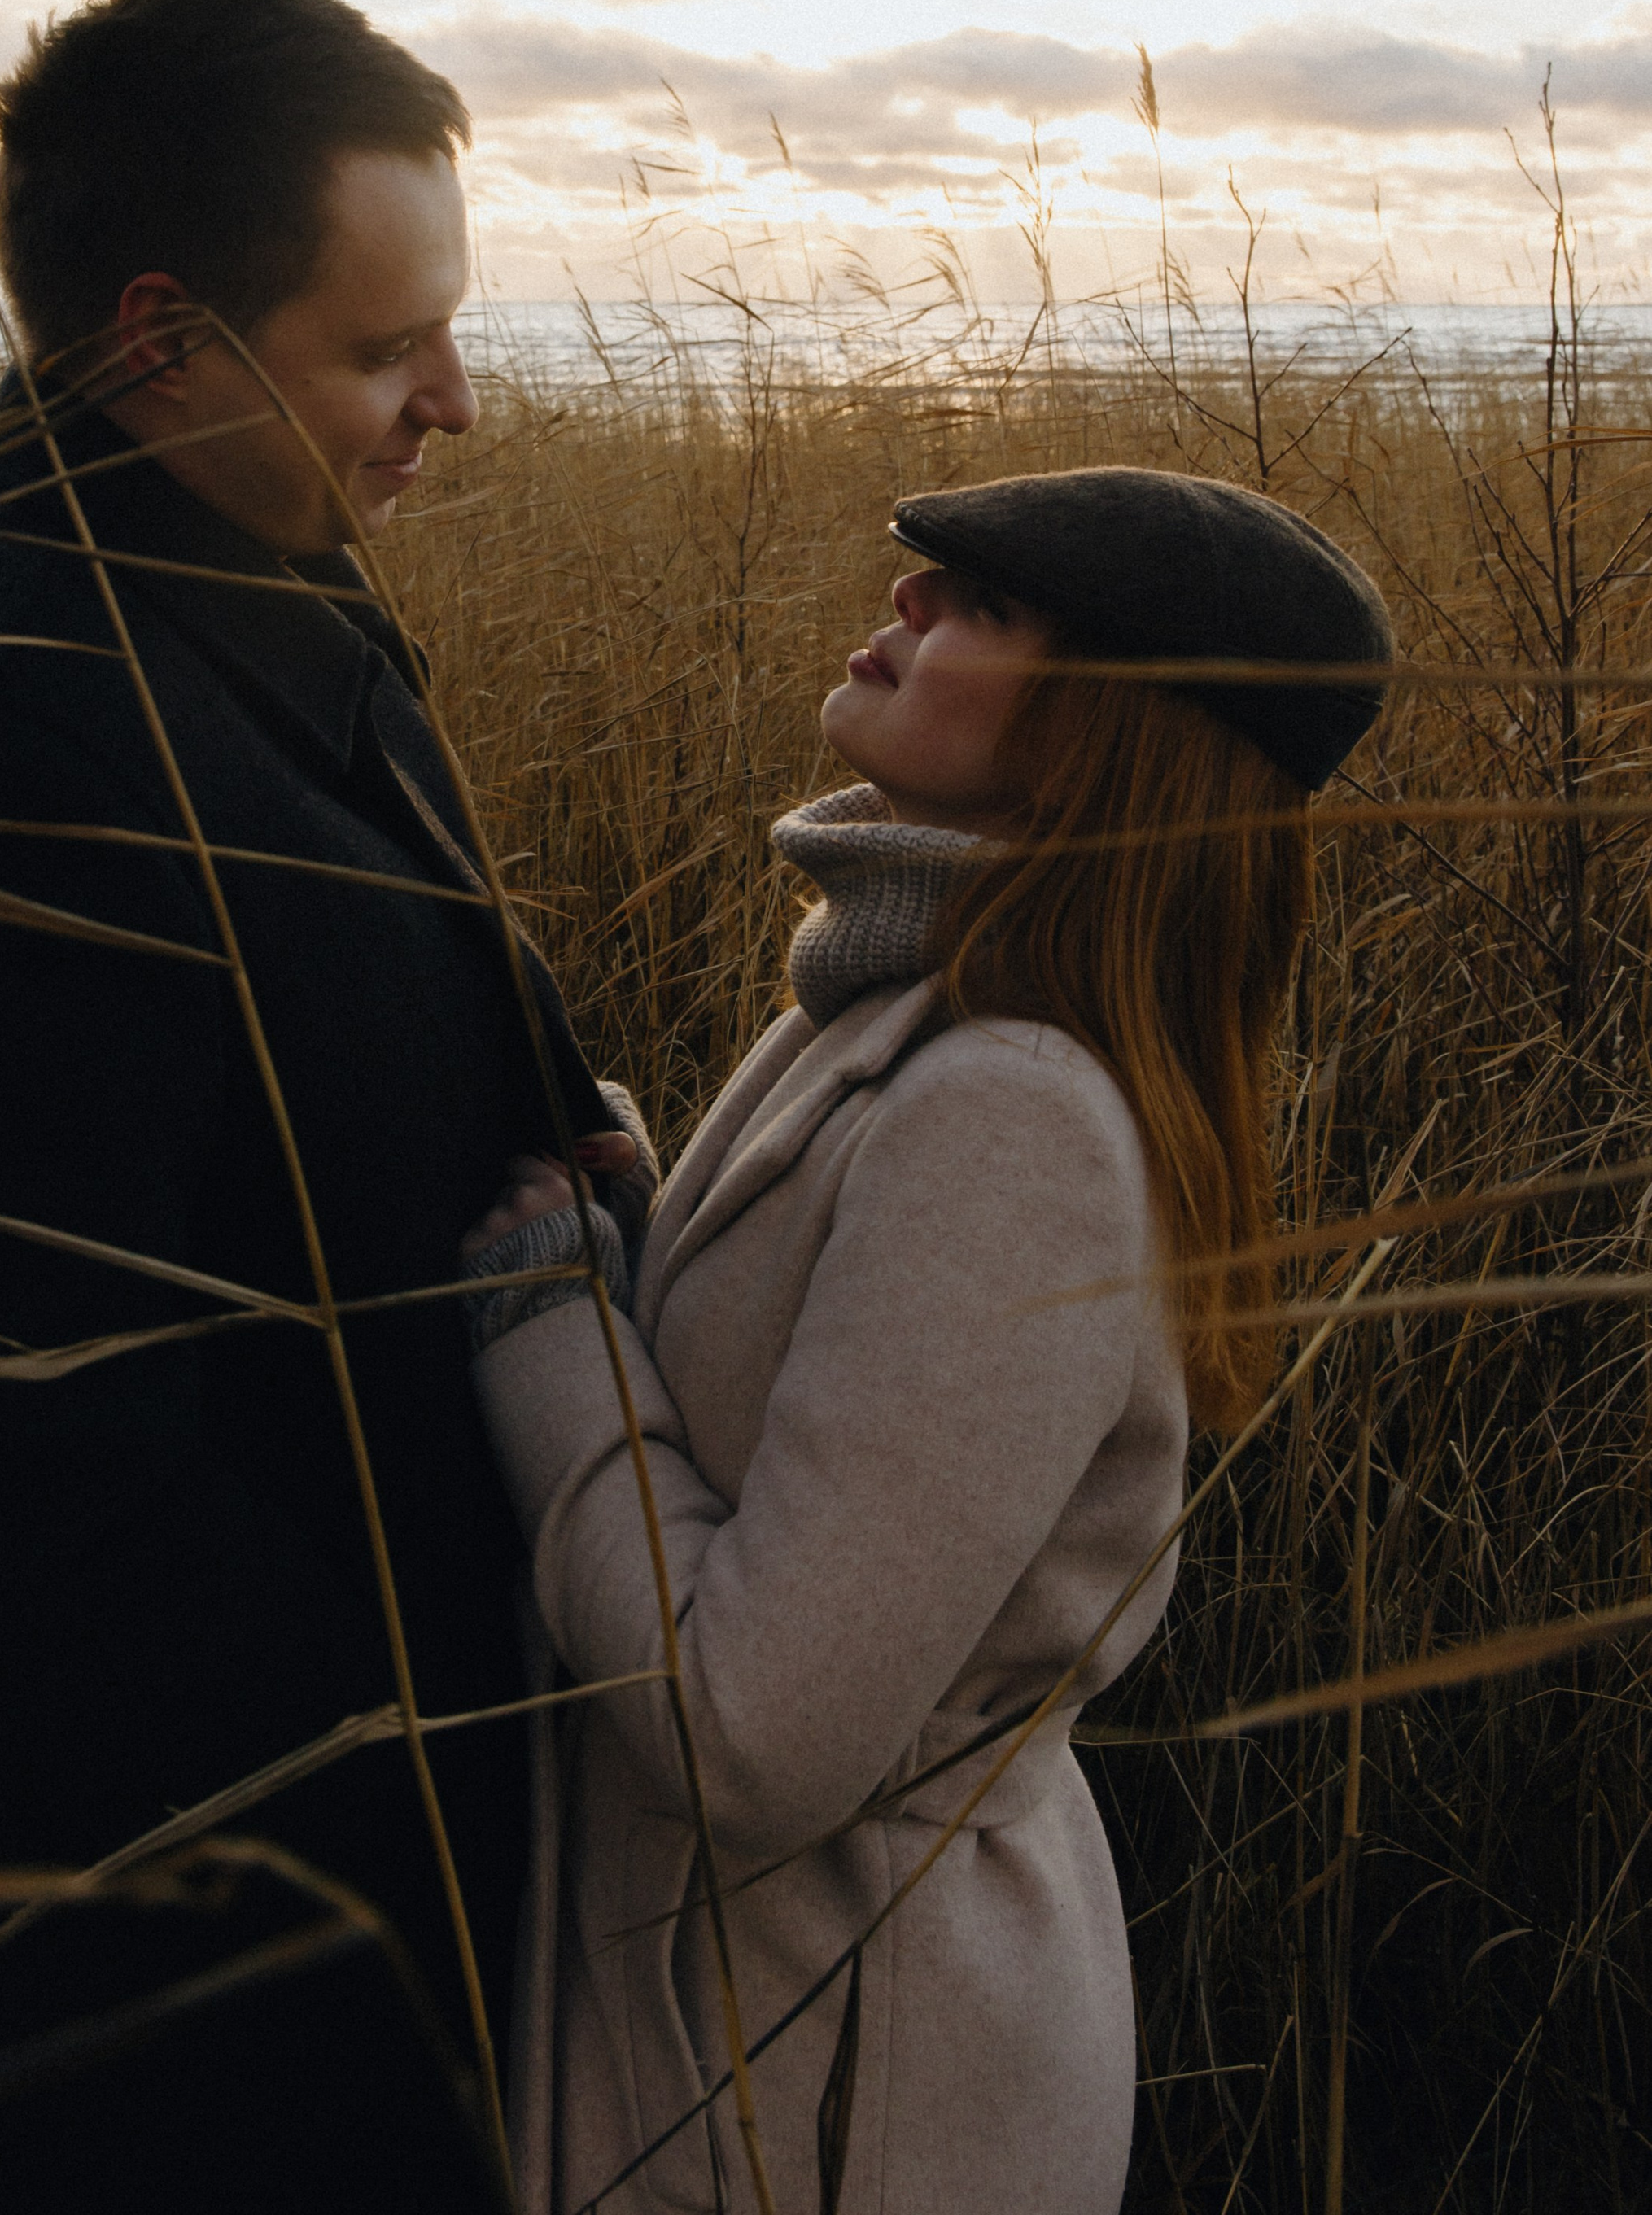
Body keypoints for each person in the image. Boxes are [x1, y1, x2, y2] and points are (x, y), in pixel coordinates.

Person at [0, 0, 642, 2213]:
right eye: (384, 346)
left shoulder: (259, 594)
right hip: (191, 2025)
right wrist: (395, 1824)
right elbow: (4, 1503)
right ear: (160, 341)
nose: (454, 403)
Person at [461, 466, 1394, 2215]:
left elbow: (754, 1732)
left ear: (1110, 735)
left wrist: (546, 1327)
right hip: (768, 2041)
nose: (903, 605)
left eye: (983, 605)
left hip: (845, 2095)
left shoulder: (1010, 1112)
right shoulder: (895, 999)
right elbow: (795, 1438)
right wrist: (640, 1237)